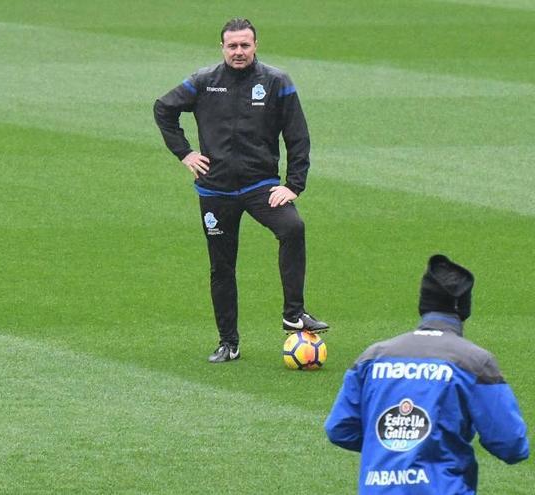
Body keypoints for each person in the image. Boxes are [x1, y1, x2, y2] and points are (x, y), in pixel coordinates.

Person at [153, 17, 328, 363]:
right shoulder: (204, 82)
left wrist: (293, 185)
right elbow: (164, 108)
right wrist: (185, 153)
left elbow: (298, 137)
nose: (238, 52)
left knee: (292, 227)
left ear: (255, 46)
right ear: (222, 47)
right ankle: (228, 342)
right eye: (232, 46)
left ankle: (293, 313)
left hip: (260, 186)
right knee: (222, 267)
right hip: (215, 191)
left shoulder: (277, 82)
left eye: (244, 45)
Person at [325, 255, 529, 494]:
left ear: (423, 304)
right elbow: (512, 445)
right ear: (463, 308)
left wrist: (394, 448)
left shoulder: (372, 357)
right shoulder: (474, 362)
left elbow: (340, 428)